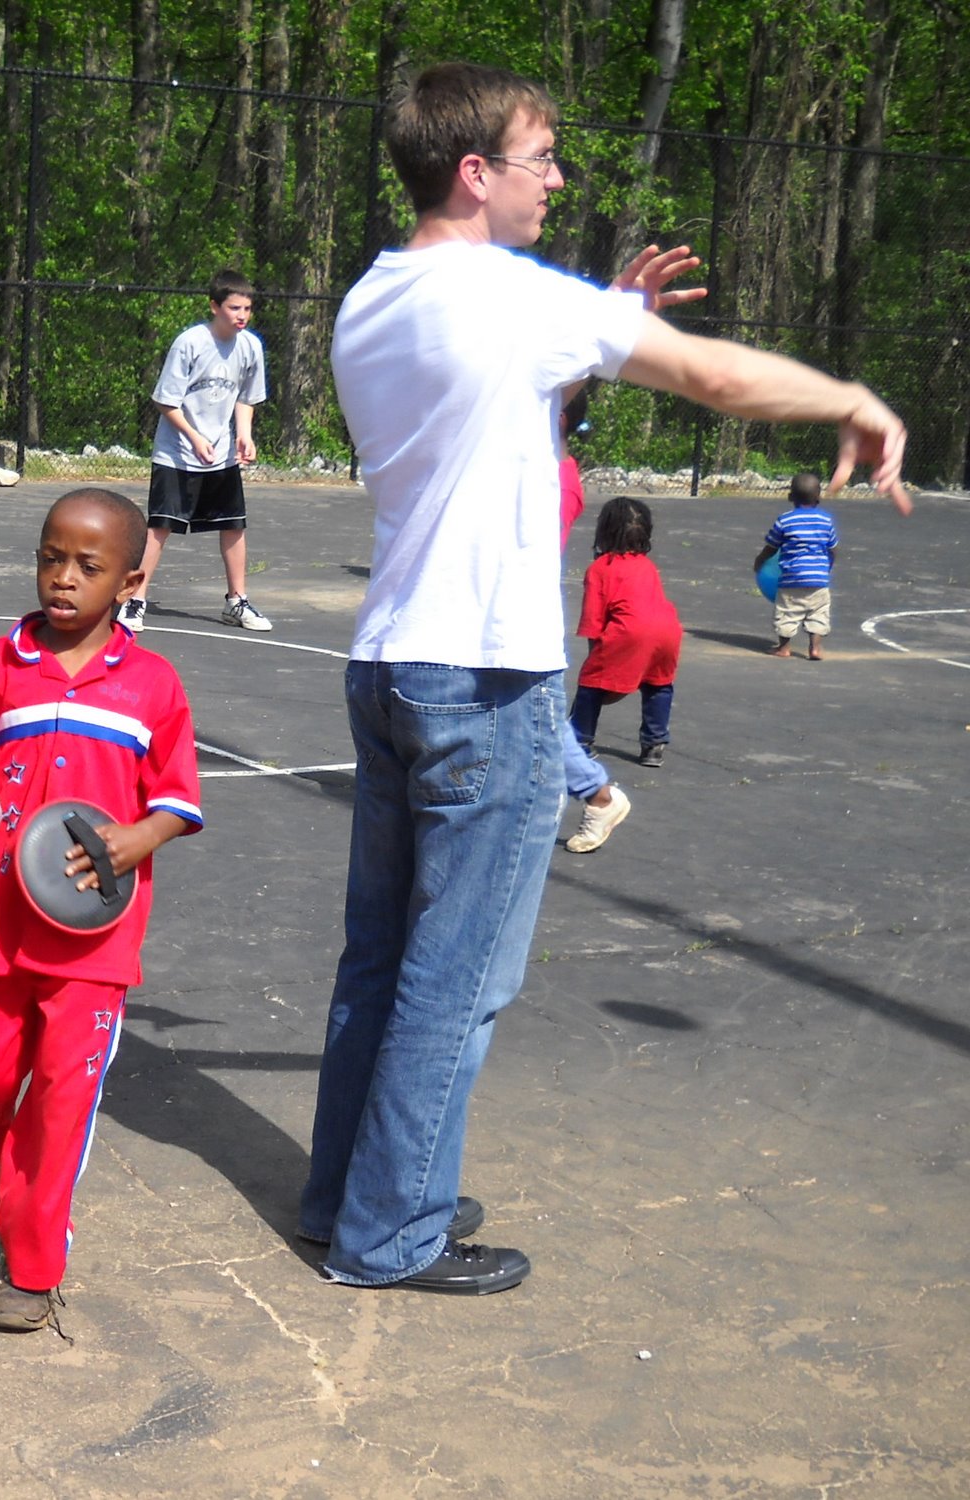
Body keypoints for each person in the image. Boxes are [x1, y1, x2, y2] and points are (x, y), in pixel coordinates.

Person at [301, 59, 910, 1297]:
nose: (558, 180)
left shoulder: (372, 295)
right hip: (486, 677)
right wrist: (848, 395)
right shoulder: (513, 296)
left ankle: (350, 1197)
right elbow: (715, 378)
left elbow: (498, 405)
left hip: (392, 660)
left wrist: (599, 318)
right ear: (475, 171)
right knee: (458, 973)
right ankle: (393, 1231)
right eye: (541, 159)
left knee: (381, 960)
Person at [0, 487, 202, 1334]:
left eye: (88, 566)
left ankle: (31, 1268)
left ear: (130, 581)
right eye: (50, 558)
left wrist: (140, 837)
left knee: (61, 1103)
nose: (64, 578)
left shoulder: (151, 685)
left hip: (91, 942)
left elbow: (177, 799)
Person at [123, 269, 271, 633]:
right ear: (214, 306)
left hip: (220, 456)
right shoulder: (190, 343)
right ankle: (135, 600)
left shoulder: (250, 347)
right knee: (161, 525)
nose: (242, 315)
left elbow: (246, 397)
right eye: (234, 308)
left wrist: (244, 434)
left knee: (233, 525)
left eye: (247, 308)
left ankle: (236, 601)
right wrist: (193, 437)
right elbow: (165, 401)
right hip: (177, 453)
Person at [557, 387, 633, 854]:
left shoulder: (558, 482)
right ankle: (593, 793)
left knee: (538, 720)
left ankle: (598, 795)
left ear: (559, 420)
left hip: (517, 626)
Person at [568, 496, 683, 767]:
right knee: (658, 683)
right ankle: (654, 745)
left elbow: (594, 621)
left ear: (604, 531)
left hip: (630, 631)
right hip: (668, 631)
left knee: (590, 685)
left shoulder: (600, 569)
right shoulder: (647, 565)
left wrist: (597, 664)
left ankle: (579, 741)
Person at [755, 471, 837, 660]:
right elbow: (832, 549)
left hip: (791, 579)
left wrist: (760, 561)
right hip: (819, 581)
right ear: (819, 497)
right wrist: (827, 567)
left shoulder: (785, 520)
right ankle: (815, 648)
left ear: (790, 496)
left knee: (786, 613)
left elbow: (771, 547)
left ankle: (784, 648)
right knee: (818, 613)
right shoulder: (826, 521)